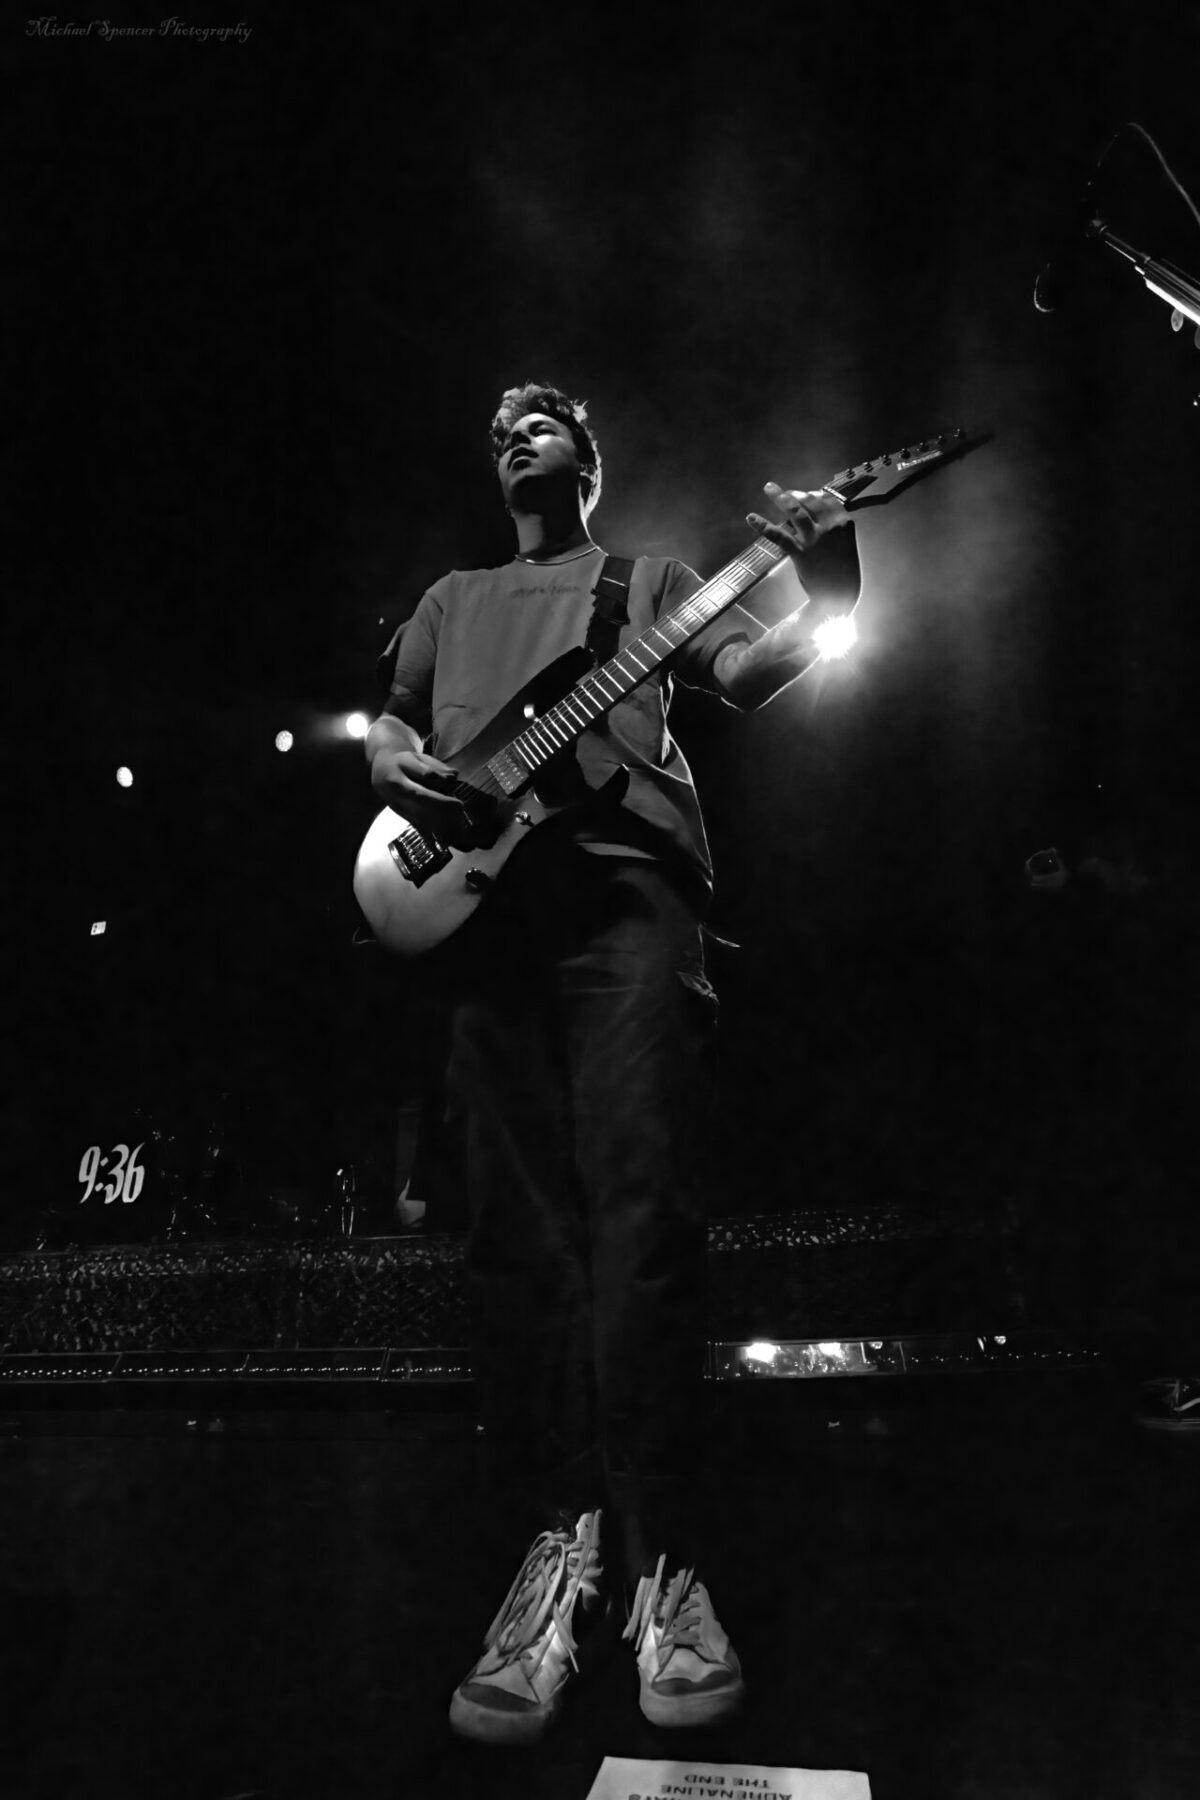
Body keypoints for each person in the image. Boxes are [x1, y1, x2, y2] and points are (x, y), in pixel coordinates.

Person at [364, 382, 860, 1747]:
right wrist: (392, 768)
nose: (511, 435)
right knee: (517, 1241)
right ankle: (555, 1552)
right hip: (487, 919)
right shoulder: (452, 598)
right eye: (497, 430)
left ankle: (663, 1563)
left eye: (540, 421)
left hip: (631, 901)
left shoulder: (650, 584)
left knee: (644, 1220)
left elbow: (753, 674)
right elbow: (395, 724)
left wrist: (832, 575)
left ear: (588, 459)